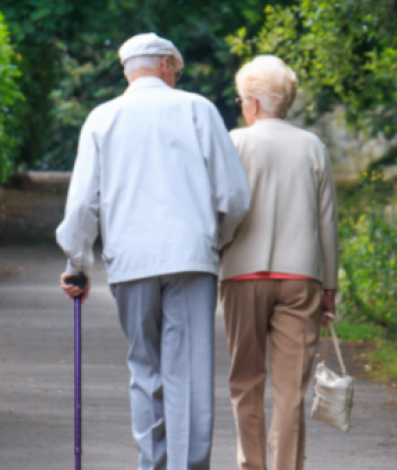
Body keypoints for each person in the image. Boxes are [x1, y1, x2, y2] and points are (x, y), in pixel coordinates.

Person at [55, 32, 251, 470]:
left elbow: (82, 203)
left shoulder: (101, 118)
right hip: (191, 258)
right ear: (164, 65)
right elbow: (235, 197)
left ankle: (152, 464)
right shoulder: (199, 109)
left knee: (145, 369)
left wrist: (78, 265)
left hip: (131, 261)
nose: (176, 77)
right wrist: (217, 240)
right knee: (189, 374)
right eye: (175, 70)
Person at [219, 55, 339, 470]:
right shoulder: (313, 146)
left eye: (241, 99)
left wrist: (217, 249)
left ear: (252, 103)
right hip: (301, 277)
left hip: (242, 274)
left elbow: (222, 209)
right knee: (291, 392)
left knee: (245, 382)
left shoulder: (234, 142)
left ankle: (252, 466)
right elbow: (327, 223)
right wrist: (329, 288)